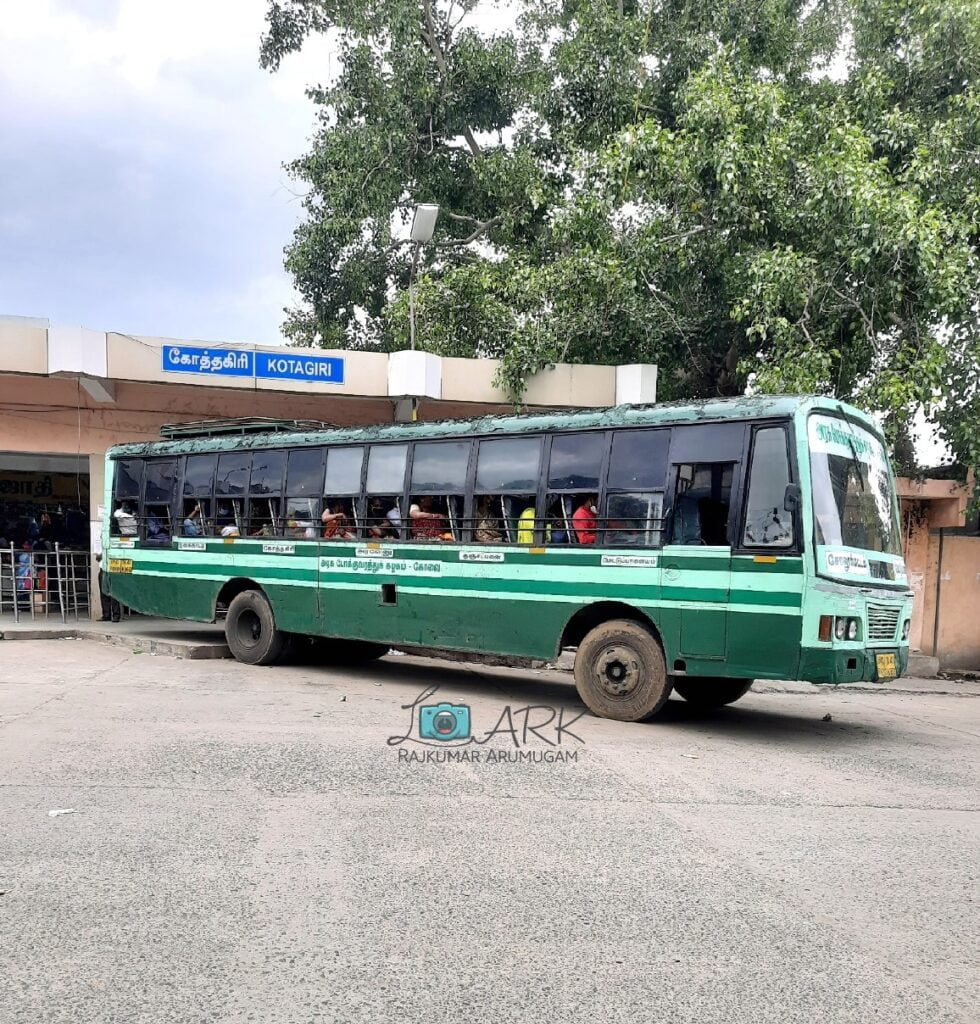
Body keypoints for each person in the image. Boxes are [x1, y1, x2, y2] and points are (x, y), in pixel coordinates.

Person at [95, 553, 121, 622]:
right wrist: (98, 556)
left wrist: (103, 554)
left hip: (113, 568)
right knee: (103, 592)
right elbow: (97, 558)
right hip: (103, 568)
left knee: (113, 593)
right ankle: (106, 614)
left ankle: (116, 614)